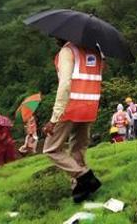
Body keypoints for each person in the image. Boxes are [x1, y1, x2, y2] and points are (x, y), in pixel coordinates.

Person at [42, 39, 105, 203]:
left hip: (71, 107)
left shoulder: (67, 51)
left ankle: (84, 176)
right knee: (78, 148)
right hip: (90, 105)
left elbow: (65, 84)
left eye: (57, 34)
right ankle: (79, 190)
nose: (54, 37)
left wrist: (54, 118)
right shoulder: (95, 51)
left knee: (51, 148)